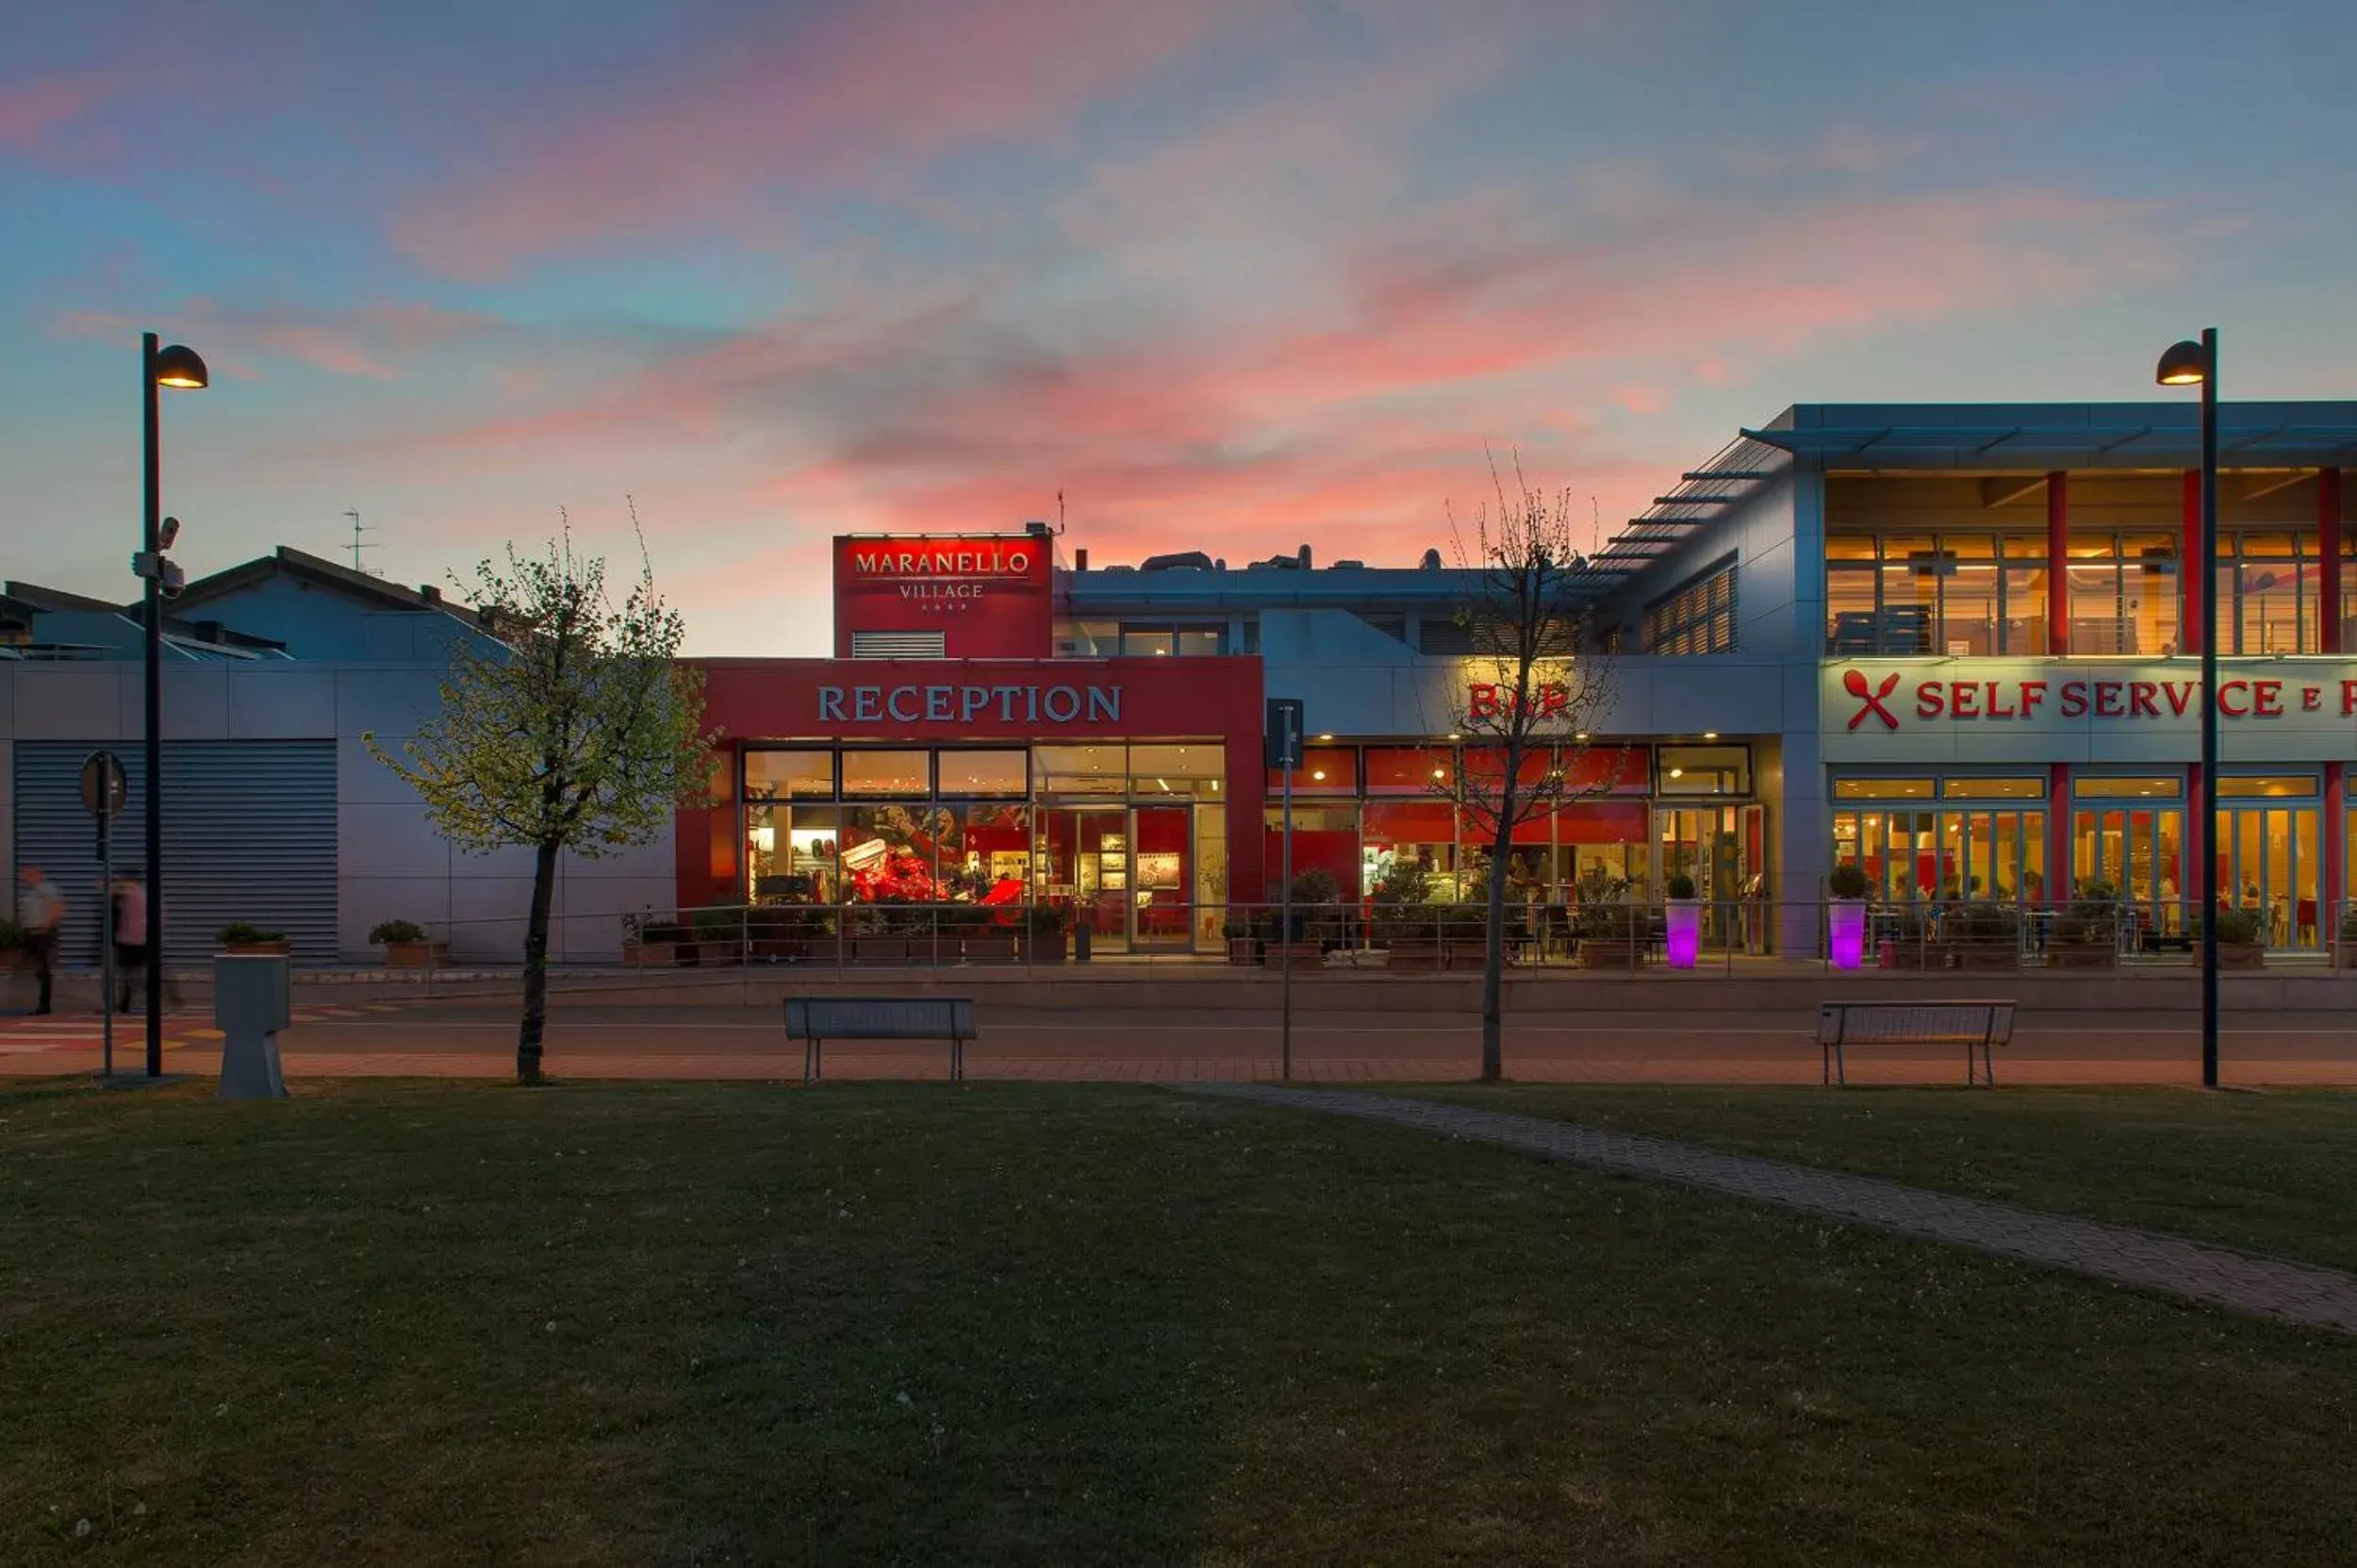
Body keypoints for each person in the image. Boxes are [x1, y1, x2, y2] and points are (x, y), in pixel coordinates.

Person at [17, 868, 65, 1015]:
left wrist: (47, 927)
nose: (25, 877)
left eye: (29, 874)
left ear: (39, 874)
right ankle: (36, 1003)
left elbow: (58, 909)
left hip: (43, 934)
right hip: (31, 933)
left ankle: (44, 1005)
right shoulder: (29, 892)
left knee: (43, 970)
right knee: (35, 970)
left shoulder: (47, 889)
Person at [112, 877, 149, 1015]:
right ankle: (129, 1002)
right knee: (136, 972)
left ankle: (125, 1003)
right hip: (143, 940)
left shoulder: (129, 894)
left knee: (126, 974)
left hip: (127, 940)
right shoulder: (145, 894)